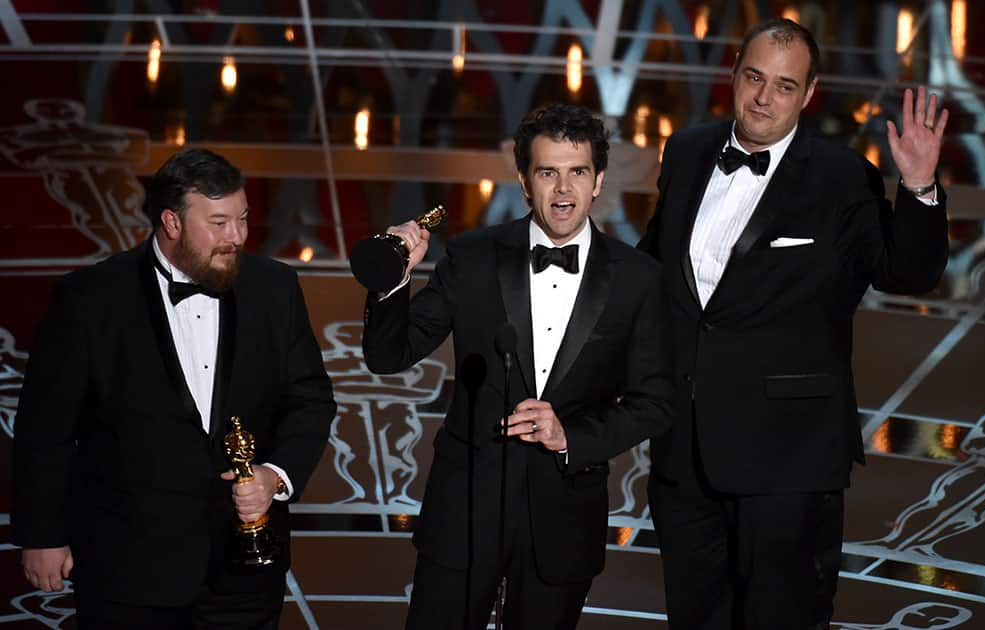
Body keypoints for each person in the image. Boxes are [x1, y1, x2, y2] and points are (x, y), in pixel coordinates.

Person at [638, 18, 949, 630]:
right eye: (754, 77)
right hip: (685, 453)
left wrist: (917, 184)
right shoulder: (689, 149)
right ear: (733, 73)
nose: (764, 98)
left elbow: (906, 273)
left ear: (809, 94)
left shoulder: (842, 176)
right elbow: (656, 269)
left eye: (784, 86)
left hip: (788, 458)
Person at [363, 104, 672, 629]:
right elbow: (389, 355)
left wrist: (568, 435)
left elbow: (656, 400)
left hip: (564, 518)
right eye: (547, 172)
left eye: (577, 172)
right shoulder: (472, 256)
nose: (563, 189)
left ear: (598, 181)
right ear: (525, 182)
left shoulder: (638, 278)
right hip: (465, 509)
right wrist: (394, 281)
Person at [12, 148, 336, 629]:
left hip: (244, 570)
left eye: (243, 220)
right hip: (127, 569)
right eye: (220, 223)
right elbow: (46, 426)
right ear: (171, 222)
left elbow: (310, 399)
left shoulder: (275, 288)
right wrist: (42, 535)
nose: (237, 237)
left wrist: (275, 474)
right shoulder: (90, 299)